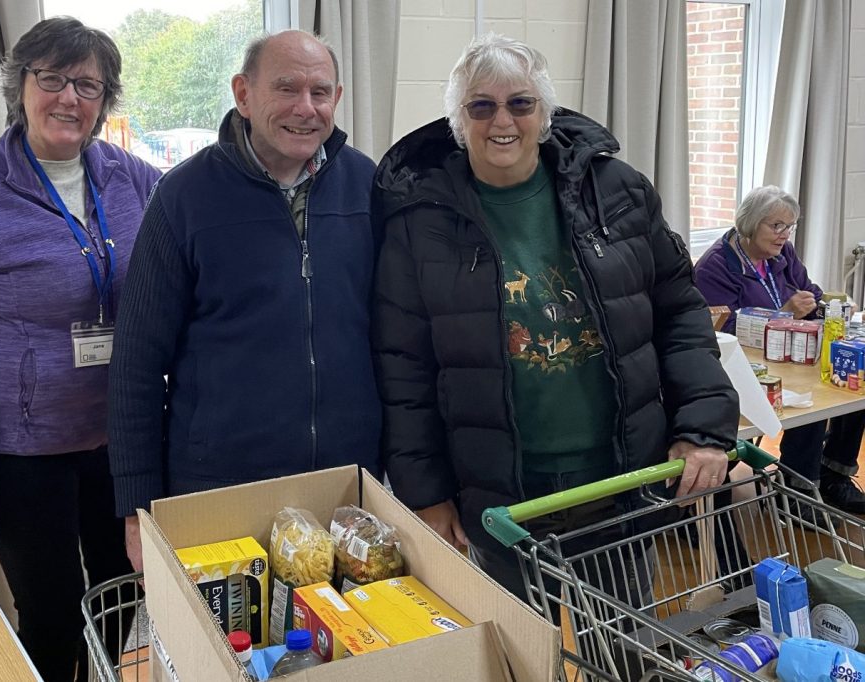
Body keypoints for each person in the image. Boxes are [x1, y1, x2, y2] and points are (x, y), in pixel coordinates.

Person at [371, 33, 739, 611]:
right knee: (518, 659)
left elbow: (680, 312)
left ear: (544, 114)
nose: (502, 120)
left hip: (618, 481)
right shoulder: (419, 223)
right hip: (502, 503)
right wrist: (426, 493)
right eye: (481, 105)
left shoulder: (617, 190)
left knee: (624, 654)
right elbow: (403, 369)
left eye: (521, 103)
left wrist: (702, 425)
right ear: (457, 119)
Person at [0, 17, 161, 681]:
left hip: (121, 445)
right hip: (22, 457)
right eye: (52, 79)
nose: (69, 98)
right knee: (48, 616)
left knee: (125, 595)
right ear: (21, 86)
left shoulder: (135, 180)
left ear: (106, 102)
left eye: (88, 84)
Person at [107, 30, 381, 572]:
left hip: (345, 492)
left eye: (321, 92)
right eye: (287, 89)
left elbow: (397, 340)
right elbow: (137, 362)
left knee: (343, 649)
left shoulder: (367, 187)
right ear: (243, 94)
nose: (306, 108)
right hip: (220, 494)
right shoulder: (183, 197)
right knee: (228, 651)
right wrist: (137, 508)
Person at [695, 185, 865, 514]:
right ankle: (796, 490)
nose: (784, 235)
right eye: (776, 226)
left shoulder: (781, 254)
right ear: (750, 223)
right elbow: (720, 333)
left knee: (853, 385)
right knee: (811, 399)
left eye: (789, 226)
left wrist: (831, 306)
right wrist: (783, 313)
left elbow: (809, 289)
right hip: (744, 368)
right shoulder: (714, 268)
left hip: (791, 358)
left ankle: (834, 474)